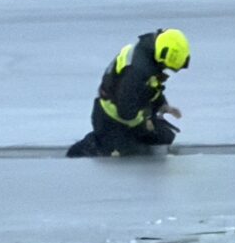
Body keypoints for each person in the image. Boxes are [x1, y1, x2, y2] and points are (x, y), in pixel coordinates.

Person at [67, 29, 190, 158]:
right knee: (129, 154)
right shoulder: (137, 70)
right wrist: (144, 124)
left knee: (164, 137)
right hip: (111, 119)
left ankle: (120, 140)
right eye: (166, 66)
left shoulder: (150, 57)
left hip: (131, 115)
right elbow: (125, 109)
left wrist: (162, 105)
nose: (165, 69)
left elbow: (149, 88)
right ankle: (93, 144)